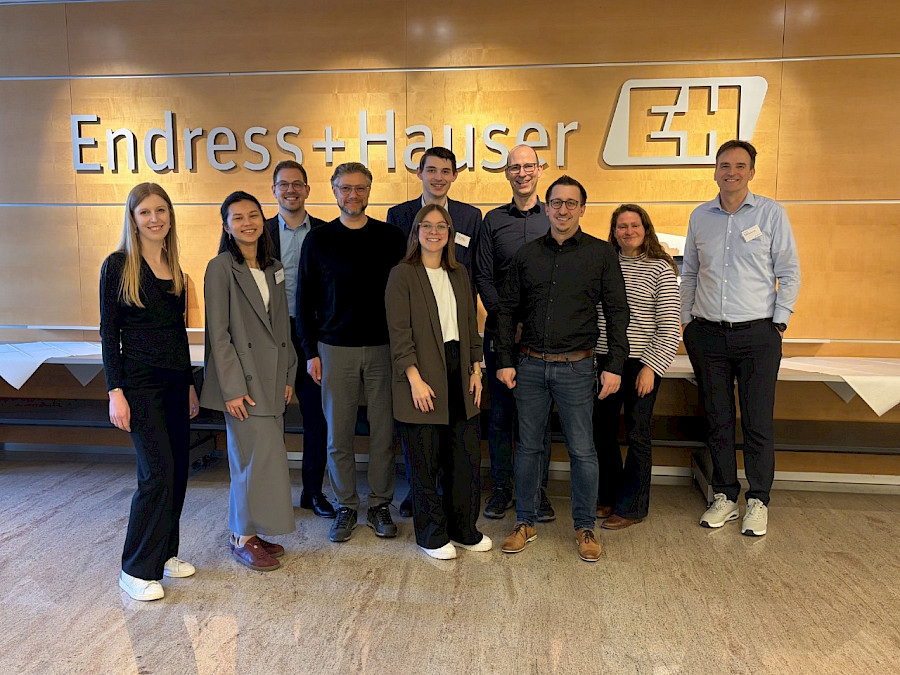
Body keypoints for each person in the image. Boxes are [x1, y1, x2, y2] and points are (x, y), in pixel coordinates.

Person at [496, 175, 629, 562]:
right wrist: (504, 360)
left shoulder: (601, 254)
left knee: (583, 451)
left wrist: (615, 365)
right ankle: (524, 522)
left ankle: (585, 527)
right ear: (547, 207)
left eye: (572, 203)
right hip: (530, 366)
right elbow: (507, 311)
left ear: (582, 209)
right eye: (556, 202)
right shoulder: (527, 255)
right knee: (529, 448)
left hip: (578, 368)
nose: (563, 209)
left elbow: (617, 312)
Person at [682, 139, 801, 537]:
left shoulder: (770, 213)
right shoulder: (700, 217)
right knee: (717, 420)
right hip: (708, 335)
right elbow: (690, 273)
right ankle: (725, 496)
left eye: (739, 166)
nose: (731, 172)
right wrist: (686, 322)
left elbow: (789, 271)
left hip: (758, 335)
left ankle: (759, 499)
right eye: (724, 165)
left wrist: (778, 323)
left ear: (751, 171)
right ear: (715, 171)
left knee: (756, 421)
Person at [297, 162, 407, 543]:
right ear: (334, 191)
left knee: (383, 433)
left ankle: (379, 504)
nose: (353, 195)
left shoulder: (391, 238)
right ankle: (345, 504)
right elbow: (304, 299)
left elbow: (404, 295)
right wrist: (310, 352)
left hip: (383, 348)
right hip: (333, 349)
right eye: (346, 188)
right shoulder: (318, 239)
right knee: (338, 434)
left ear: (369, 191)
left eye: (360, 188)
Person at [100, 182, 199, 602]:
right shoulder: (118, 265)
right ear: (133, 219)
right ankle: (135, 569)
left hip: (175, 382)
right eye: (145, 212)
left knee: (178, 471)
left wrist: (190, 385)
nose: (155, 218)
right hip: (139, 384)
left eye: (161, 210)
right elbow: (109, 333)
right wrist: (115, 391)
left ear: (170, 216)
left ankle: (165, 553)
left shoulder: (175, 268)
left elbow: (179, 334)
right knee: (155, 473)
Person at [385, 204, 490, 560]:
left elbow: (471, 327)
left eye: (441, 226)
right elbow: (399, 334)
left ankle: (463, 530)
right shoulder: (402, 274)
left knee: (464, 458)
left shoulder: (459, 273)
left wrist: (476, 370)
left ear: (450, 233)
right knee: (425, 462)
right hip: (421, 373)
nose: (434, 232)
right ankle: (431, 536)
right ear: (416, 232)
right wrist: (414, 379)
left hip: (461, 372)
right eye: (427, 226)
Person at [200, 191, 297, 571]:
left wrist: (288, 374)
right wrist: (233, 389)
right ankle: (241, 537)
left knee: (266, 460)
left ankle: (252, 529)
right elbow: (218, 334)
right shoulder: (220, 267)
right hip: (243, 382)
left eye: (253, 215)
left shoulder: (273, 267)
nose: (247, 223)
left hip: (273, 378)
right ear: (226, 226)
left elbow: (282, 327)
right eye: (237, 218)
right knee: (249, 460)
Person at [474, 144, 554, 522]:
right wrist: (508, 321)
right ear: (507, 173)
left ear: (539, 169)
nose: (522, 173)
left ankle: (537, 490)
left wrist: (535, 321)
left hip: (544, 336)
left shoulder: (554, 217)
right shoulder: (492, 221)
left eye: (528, 166)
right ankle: (502, 488)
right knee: (501, 416)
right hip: (501, 335)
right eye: (515, 167)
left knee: (538, 417)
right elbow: (483, 277)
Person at [593, 204, 681, 529]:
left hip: (642, 363)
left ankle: (633, 507)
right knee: (601, 431)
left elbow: (669, 326)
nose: (628, 231)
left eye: (634, 225)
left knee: (637, 433)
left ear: (646, 229)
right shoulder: (604, 263)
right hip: (604, 360)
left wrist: (651, 368)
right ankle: (610, 494)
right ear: (614, 232)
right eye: (622, 226)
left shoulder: (661, 268)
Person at [264, 160, 335, 519]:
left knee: (315, 418)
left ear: (307, 189)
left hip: (313, 336)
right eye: (283, 184)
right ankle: (273, 494)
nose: (290, 190)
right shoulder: (258, 232)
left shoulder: (326, 232)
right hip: (268, 336)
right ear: (274, 190)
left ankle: (312, 492)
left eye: (297, 184)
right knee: (269, 417)